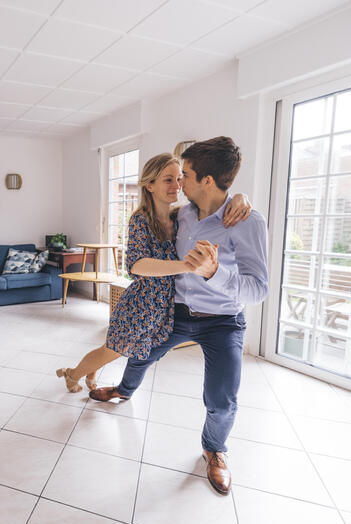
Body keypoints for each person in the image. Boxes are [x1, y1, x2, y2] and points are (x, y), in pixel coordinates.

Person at [90, 137, 269, 497]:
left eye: (184, 174)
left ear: (206, 180)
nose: (179, 181)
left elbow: (258, 289)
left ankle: (214, 450)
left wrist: (213, 272)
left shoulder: (247, 222)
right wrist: (238, 195)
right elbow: (148, 230)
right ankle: (124, 390)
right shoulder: (183, 213)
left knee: (222, 399)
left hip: (223, 321)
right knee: (141, 354)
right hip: (178, 312)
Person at [55, 152, 250, 394]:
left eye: (179, 179)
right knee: (114, 349)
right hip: (141, 304)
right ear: (150, 185)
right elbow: (137, 265)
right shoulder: (140, 220)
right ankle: (72, 374)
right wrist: (188, 266)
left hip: (164, 307)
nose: (177, 185)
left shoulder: (180, 216)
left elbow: (219, 202)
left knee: (118, 348)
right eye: (168, 179)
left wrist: (240, 197)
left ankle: (92, 370)